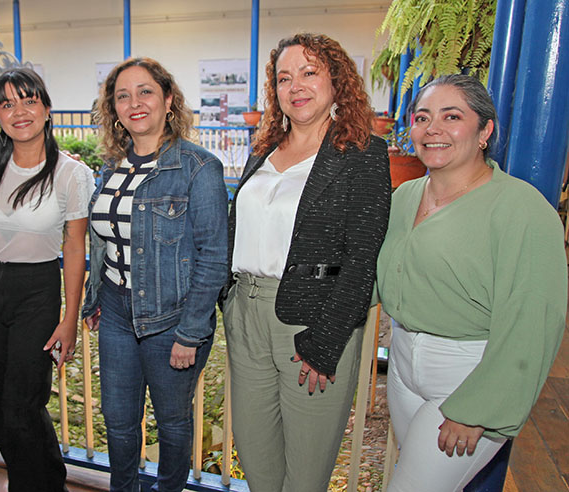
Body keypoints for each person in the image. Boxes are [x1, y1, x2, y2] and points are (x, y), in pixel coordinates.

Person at [377, 74, 567, 492]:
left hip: (468, 374)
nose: (433, 129)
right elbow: (378, 273)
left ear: (485, 131)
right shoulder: (404, 196)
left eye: (452, 116)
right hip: (403, 366)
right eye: (423, 117)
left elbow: (533, 319)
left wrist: (480, 406)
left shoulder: (522, 209)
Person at [222, 33, 391, 491]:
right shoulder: (263, 152)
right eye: (284, 77)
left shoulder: (363, 155)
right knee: (257, 462)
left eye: (309, 72)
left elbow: (362, 258)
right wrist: (227, 299)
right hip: (246, 317)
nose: (296, 85)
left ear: (337, 81)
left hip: (312, 325)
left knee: (304, 476)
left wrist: (327, 341)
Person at [81, 57, 229, 492]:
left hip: (172, 319)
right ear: (114, 109)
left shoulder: (198, 168)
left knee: (172, 423)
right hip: (116, 312)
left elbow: (213, 257)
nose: (134, 103)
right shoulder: (112, 169)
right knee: (119, 421)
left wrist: (191, 332)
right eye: (122, 96)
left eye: (145, 91)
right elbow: (104, 241)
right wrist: (95, 300)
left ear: (168, 100)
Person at [0, 67, 93, 492]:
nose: (18, 111)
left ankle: (45, 484)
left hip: (35, 289)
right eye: (6, 103)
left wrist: (69, 316)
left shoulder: (71, 174)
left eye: (28, 100)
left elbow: (75, 246)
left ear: (47, 108)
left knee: (24, 403)